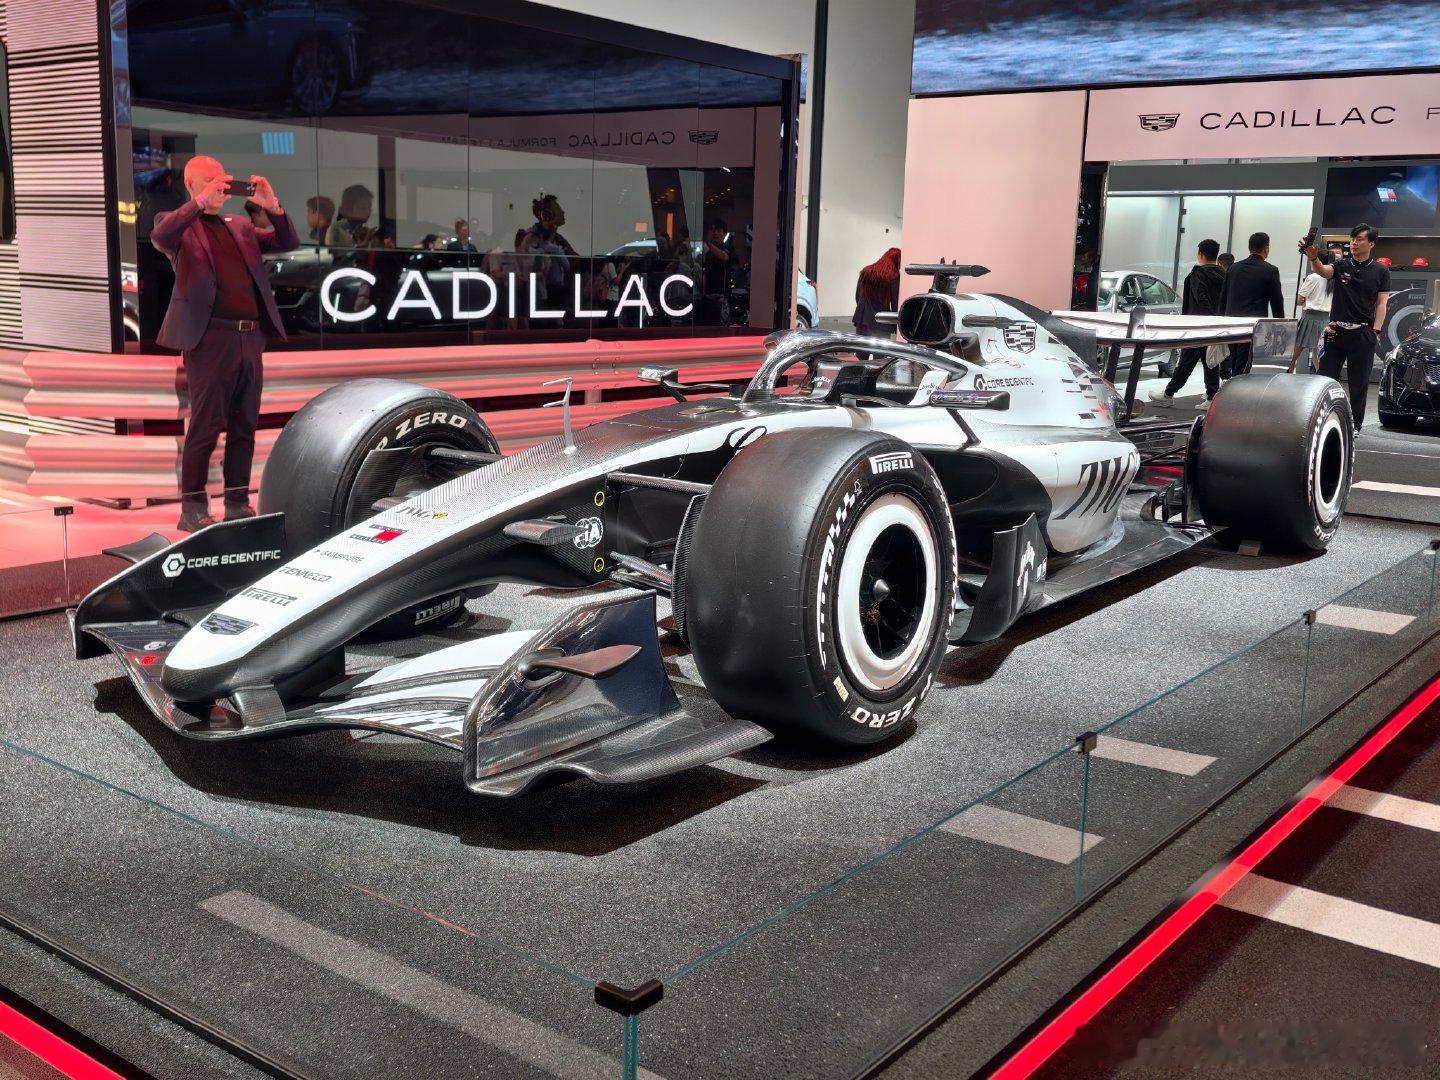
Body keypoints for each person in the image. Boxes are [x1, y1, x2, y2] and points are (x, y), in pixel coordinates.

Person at [151, 155, 298, 531]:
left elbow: (287, 241)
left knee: (244, 424)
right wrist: (200, 204)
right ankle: (192, 509)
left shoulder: (240, 226)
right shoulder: (178, 223)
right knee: (205, 425)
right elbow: (161, 237)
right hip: (210, 340)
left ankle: (237, 503)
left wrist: (273, 207)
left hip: (250, 338)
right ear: (192, 185)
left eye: (224, 181)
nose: (221, 189)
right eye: (211, 182)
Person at [1301, 223, 1390, 432]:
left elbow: (1381, 303)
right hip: (1336, 332)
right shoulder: (1341, 265)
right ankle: (1321, 419)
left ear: (1371, 244)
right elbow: (1324, 271)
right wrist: (1313, 258)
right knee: (1324, 379)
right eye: (1353, 239)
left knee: (1359, 383)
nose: (1354, 243)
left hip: (1363, 333)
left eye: (1360, 239)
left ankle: (1355, 425)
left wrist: (1375, 331)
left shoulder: (1381, 271)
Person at [1149, 238, 1226, 407]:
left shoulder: (1197, 275)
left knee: (1187, 361)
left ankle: (1168, 394)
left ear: (1201, 254)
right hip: (1216, 326)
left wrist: (1206, 318)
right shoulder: (1224, 276)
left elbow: (1200, 299)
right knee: (1210, 361)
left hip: (1197, 325)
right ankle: (1211, 397)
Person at [1219, 232, 1285, 379]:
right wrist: (1280, 325)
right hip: (1253, 326)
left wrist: (1221, 322)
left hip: (1231, 324)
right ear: (1266, 248)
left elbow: (1223, 297)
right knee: (1244, 365)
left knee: (1235, 360)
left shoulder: (1233, 268)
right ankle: (1236, 390)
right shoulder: (1270, 270)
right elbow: (1277, 302)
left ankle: (1234, 387)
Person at [1291, 262, 1333, 374]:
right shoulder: (1333, 279)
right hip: (1325, 319)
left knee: (1295, 352)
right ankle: (1321, 377)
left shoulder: (1312, 277)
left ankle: (1287, 373)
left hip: (1309, 317)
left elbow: (1299, 300)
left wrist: (1305, 302)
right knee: (1318, 352)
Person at [854, 247, 901, 337]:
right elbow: (895, 304)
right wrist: (896, 326)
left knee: (861, 345)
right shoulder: (893, 276)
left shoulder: (866, 271)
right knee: (879, 346)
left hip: (862, 320)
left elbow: (858, 297)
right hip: (881, 321)